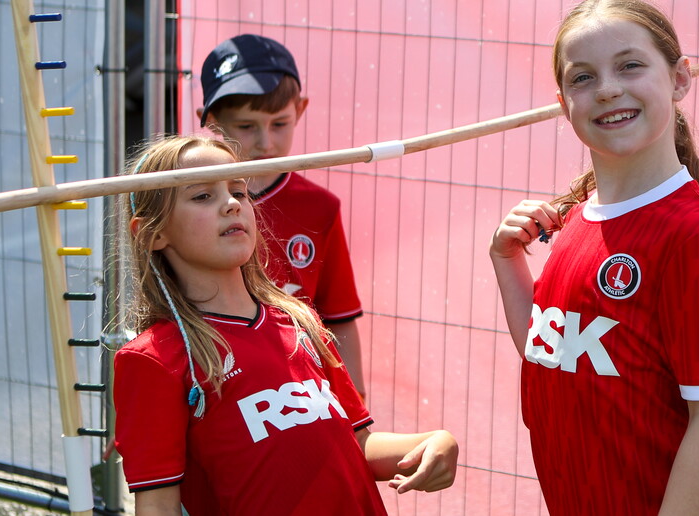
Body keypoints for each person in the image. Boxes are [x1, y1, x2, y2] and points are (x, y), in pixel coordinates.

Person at [489, 0, 699, 516]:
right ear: (564, 104)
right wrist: (506, 262)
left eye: (629, 66)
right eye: (582, 78)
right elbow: (552, 355)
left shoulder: (693, 236)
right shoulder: (578, 220)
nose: (607, 90)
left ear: (678, 79)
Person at [113, 135, 458, 515]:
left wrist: (433, 443)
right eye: (202, 196)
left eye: (238, 191)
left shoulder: (299, 322)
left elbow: (358, 445)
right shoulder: (153, 359)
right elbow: (157, 505)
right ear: (152, 233)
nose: (231, 204)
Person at [195, 33, 368, 399]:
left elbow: (339, 318)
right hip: (212, 385)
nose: (266, 143)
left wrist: (357, 406)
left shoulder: (319, 208)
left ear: (300, 111)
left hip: (299, 393)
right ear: (209, 121)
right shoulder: (183, 203)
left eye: (279, 124)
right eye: (246, 125)